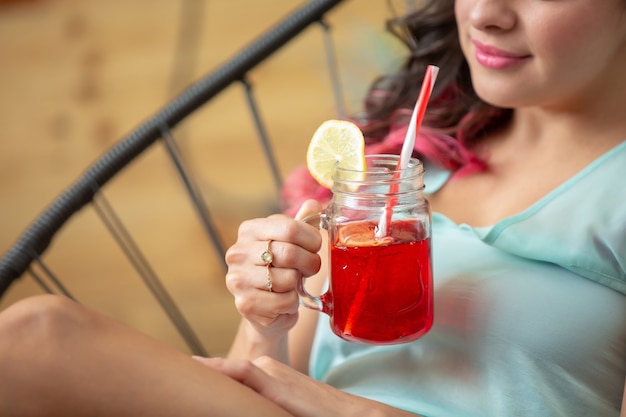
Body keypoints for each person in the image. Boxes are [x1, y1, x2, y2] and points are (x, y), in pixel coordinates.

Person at [0, 0, 624, 415]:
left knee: (42, 335)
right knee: (27, 340)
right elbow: (256, 385)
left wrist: (356, 410)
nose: (486, 14)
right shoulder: (403, 154)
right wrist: (264, 320)